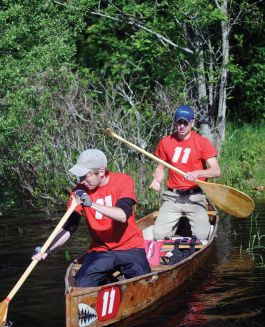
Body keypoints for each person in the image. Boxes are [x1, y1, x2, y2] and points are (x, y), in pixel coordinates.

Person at [33, 149, 151, 287]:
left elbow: (122, 215)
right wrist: (48, 248)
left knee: (143, 283)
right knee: (81, 286)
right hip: (100, 250)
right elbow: (70, 226)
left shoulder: (123, 181)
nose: (81, 181)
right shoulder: (78, 192)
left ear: (101, 172)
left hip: (130, 246)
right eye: (79, 177)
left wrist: (91, 204)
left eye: (84, 176)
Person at [149, 105, 221, 240]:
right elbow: (161, 167)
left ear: (192, 123)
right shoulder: (166, 142)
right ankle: (177, 225)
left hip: (195, 197)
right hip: (173, 197)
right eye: (179, 122)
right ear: (175, 122)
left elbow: (216, 171)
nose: (182, 126)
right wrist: (157, 180)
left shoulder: (202, 142)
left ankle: (204, 226)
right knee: (158, 235)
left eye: (185, 123)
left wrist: (198, 173)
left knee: (202, 236)